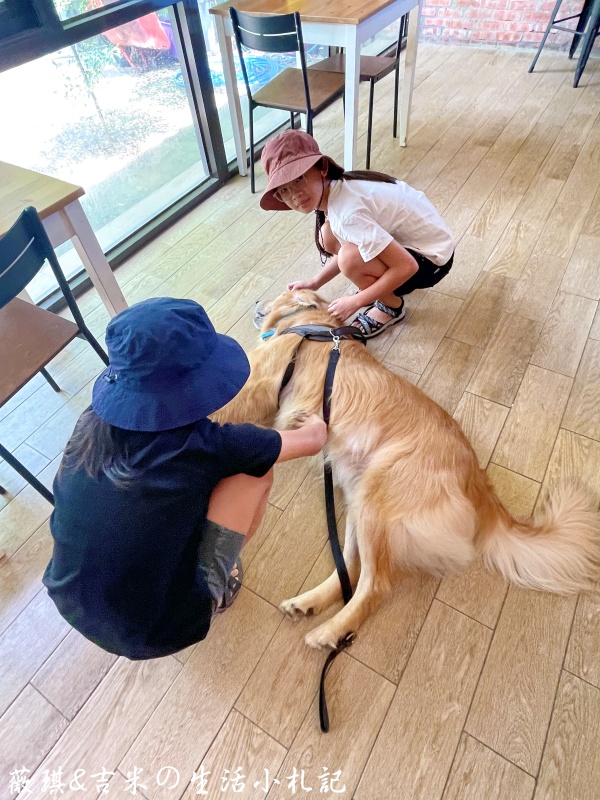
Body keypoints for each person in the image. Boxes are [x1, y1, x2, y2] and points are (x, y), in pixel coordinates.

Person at [43, 297, 327, 660]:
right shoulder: (210, 445)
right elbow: (311, 441)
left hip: (68, 594)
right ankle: (218, 585)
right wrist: (316, 421)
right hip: (159, 629)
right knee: (255, 471)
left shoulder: (89, 422)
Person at [260, 129, 456, 339]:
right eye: (284, 190)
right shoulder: (340, 189)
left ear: (322, 168)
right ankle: (381, 287)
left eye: (299, 178)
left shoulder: (347, 214)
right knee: (328, 235)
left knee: (349, 259)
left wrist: (357, 301)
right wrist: (315, 283)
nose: (295, 195)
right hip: (416, 246)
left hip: (432, 262)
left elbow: (407, 266)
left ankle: (391, 306)